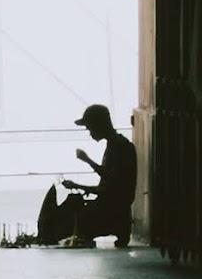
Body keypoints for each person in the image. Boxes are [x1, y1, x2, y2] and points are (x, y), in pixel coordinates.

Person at [37, 103, 138, 248]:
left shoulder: (119, 147)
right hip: (112, 205)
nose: (89, 132)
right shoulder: (117, 145)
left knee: (61, 224)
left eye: (89, 127)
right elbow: (109, 179)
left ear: (99, 125)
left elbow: (110, 187)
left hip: (111, 210)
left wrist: (86, 162)